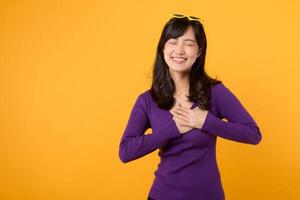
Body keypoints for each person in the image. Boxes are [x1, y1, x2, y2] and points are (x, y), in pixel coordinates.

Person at [119, 13, 262, 200]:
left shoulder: (215, 92)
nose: (179, 50)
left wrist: (206, 122)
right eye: (173, 41)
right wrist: (173, 130)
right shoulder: (147, 100)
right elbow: (125, 152)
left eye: (188, 43)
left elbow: (253, 134)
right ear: (163, 47)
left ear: (199, 51)